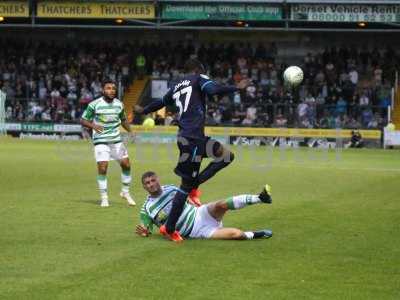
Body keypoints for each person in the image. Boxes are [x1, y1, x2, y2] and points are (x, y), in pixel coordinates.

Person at [135, 58, 250, 241]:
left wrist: (143, 111)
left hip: (194, 137)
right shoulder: (199, 78)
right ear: (199, 69)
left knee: (227, 156)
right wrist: (236, 87)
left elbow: (160, 102)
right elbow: (213, 90)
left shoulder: (177, 86)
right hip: (191, 139)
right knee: (185, 187)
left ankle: (195, 184)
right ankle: (170, 229)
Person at [136, 171, 273, 242]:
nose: (151, 184)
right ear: (143, 186)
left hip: (200, 213)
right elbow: (145, 229)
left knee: (222, 204)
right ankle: (256, 234)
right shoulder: (147, 208)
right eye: (147, 183)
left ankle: (260, 198)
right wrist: (145, 232)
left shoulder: (171, 188)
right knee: (236, 234)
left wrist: (193, 200)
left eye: (153, 180)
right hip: (197, 232)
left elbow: (186, 197)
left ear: (158, 180)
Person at [80, 80, 136, 207]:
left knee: (126, 165)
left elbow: (123, 120)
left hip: (116, 140)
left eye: (113, 89)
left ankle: (125, 192)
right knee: (103, 167)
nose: (111, 91)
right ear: (103, 90)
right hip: (101, 141)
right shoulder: (95, 104)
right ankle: (104, 197)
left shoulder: (119, 104)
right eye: (108, 88)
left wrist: (131, 131)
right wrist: (93, 125)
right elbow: (83, 120)